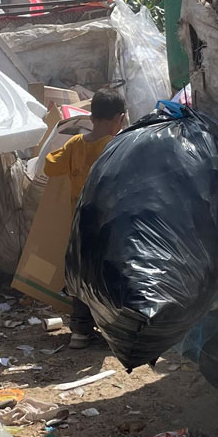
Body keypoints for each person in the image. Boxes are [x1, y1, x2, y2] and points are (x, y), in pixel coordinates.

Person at [44, 87, 127, 349]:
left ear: (91, 117)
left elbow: (48, 165)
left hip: (79, 224)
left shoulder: (75, 144)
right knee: (107, 278)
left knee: (79, 277)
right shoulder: (117, 147)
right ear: (120, 119)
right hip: (108, 227)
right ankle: (111, 329)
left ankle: (80, 331)